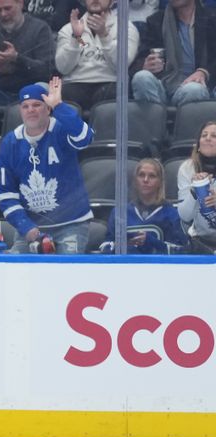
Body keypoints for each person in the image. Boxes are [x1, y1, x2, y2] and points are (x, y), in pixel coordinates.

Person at [0, 78, 94, 254]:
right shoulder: (10, 143)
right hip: (32, 229)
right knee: (16, 272)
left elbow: (85, 138)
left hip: (71, 224)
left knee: (66, 271)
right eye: (25, 106)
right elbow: (5, 194)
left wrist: (59, 106)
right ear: (20, 111)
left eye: (37, 105)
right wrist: (25, 226)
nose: (31, 110)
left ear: (48, 108)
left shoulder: (61, 129)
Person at [55, 0, 140, 110]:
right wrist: (75, 38)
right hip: (75, 84)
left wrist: (104, 35)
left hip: (110, 83)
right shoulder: (68, 29)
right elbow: (63, 68)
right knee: (61, 96)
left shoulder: (126, 28)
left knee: (114, 94)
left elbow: (122, 65)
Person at [130, 0, 216, 107]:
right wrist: (145, 65)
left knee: (193, 89)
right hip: (164, 85)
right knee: (141, 78)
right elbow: (138, 61)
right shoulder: (156, 21)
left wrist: (204, 72)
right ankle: (156, 122)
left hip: (197, 86)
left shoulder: (212, 18)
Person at [99, 158, 188, 254]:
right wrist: (120, 245)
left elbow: (181, 251)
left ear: (160, 182)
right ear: (135, 180)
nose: (146, 180)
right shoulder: (120, 212)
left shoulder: (171, 213)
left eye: (152, 176)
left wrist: (152, 242)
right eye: (141, 175)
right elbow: (104, 248)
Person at [177, 121, 216, 253]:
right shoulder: (188, 168)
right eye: (204, 135)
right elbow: (185, 216)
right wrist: (194, 192)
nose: (208, 138)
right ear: (198, 145)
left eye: (214, 136)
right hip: (200, 242)